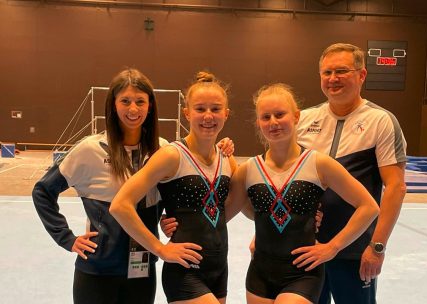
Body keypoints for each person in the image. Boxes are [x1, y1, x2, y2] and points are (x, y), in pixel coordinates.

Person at [32, 67, 234, 304]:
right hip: (98, 271)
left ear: (150, 106)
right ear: (113, 104)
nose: (133, 109)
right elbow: (43, 191)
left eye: (140, 101)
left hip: (142, 270)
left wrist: (166, 219)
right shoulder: (89, 150)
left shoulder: (161, 149)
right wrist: (66, 237)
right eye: (125, 101)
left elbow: (170, 198)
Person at [223, 83, 379, 304]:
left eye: (280, 114)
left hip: (302, 273)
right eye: (265, 117)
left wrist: (332, 247)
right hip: (260, 273)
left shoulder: (318, 163)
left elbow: (369, 206)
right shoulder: (249, 169)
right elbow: (224, 214)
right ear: (258, 123)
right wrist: (174, 222)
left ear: (296, 117)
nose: (273, 122)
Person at [110, 71, 238, 304]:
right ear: (187, 113)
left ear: (226, 114)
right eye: (200, 109)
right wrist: (159, 248)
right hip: (185, 270)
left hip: (219, 270)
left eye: (216, 109)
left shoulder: (227, 159)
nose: (208, 116)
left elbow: (240, 203)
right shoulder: (171, 155)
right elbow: (120, 205)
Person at [296, 43, 407, 304]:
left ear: (362, 75)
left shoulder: (380, 121)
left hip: (355, 250)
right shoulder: (303, 119)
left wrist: (377, 247)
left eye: (342, 71)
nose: (333, 79)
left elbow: (395, 188)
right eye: (327, 72)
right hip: (307, 246)